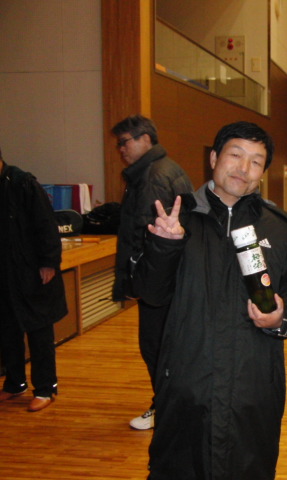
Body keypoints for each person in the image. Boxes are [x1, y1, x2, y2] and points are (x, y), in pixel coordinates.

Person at [132, 121, 287, 479]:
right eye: (235, 155)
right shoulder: (175, 219)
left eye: (255, 161)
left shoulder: (280, 229)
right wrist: (164, 246)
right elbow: (150, 293)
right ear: (214, 158)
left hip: (254, 387)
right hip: (186, 382)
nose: (243, 168)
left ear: (262, 173)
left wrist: (281, 317)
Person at [111, 115, 194, 430]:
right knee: (165, 347)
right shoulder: (162, 169)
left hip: (159, 279)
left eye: (124, 142)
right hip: (170, 276)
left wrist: (137, 282)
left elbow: (143, 234)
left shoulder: (153, 177)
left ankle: (166, 410)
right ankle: (171, 407)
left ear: (145, 139)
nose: (120, 149)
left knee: (156, 347)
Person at [0, 147, 68, 412]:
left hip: (30, 270)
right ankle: (15, 383)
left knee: (39, 330)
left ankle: (45, 388)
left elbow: (46, 224)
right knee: (8, 330)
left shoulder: (23, 183)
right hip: (5, 272)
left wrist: (49, 262)